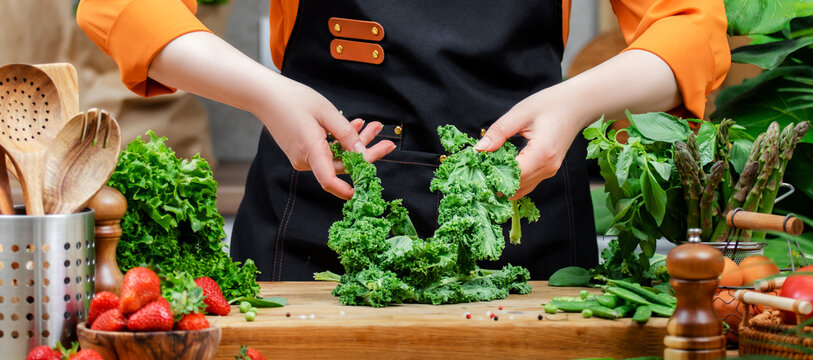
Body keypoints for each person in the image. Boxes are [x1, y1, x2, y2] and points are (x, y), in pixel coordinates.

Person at [76, 0, 730, 281]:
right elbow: (128, 8)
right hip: (318, 214)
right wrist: (264, 92)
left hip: (519, 214)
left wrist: (575, 103)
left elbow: (691, 31)